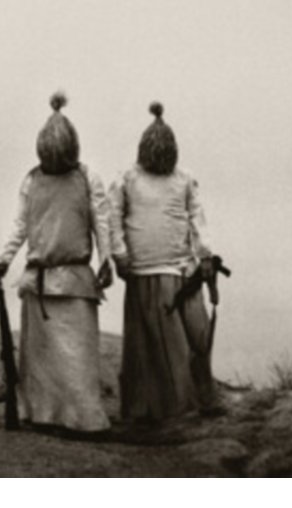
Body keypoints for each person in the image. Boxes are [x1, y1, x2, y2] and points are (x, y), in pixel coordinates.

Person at [0, 91, 113, 433]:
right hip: (39, 281)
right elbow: (21, 225)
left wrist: (106, 259)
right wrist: (5, 259)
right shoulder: (32, 180)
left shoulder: (87, 178)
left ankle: (84, 419)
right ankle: (43, 415)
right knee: (42, 361)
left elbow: (101, 221)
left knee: (77, 359)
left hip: (74, 280)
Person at [107, 102, 222, 423]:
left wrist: (205, 255)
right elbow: (112, 217)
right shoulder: (126, 179)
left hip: (183, 272)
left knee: (195, 338)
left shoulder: (184, 180)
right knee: (151, 348)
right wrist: (119, 254)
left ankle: (198, 399)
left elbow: (197, 218)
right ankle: (152, 409)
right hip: (145, 270)